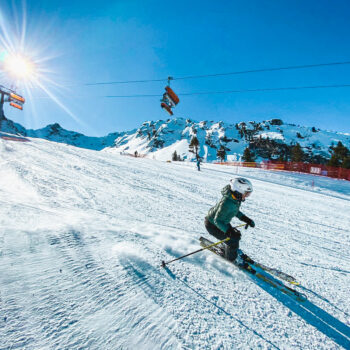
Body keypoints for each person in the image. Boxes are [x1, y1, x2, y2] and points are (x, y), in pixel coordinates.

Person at [204, 177, 255, 262]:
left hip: (222, 222)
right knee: (233, 240)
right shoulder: (226, 202)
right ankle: (231, 259)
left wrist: (246, 219)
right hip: (212, 225)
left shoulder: (234, 199)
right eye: (246, 193)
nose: (247, 196)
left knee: (235, 237)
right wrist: (229, 232)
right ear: (238, 191)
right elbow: (217, 220)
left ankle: (229, 249)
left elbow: (235, 211)